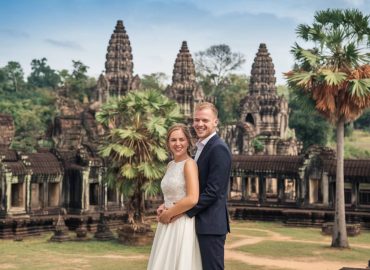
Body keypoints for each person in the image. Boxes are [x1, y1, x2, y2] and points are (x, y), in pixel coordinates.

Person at [147, 123, 202, 270]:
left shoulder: (189, 164)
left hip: (181, 222)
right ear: (168, 143)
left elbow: (192, 198)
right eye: (173, 140)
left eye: (181, 139)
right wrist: (163, 207)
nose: (178, 144)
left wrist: (169, 213)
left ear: (188, 142)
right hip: (166, 222)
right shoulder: (170, 165)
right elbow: (171, 194)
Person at [187, 102, 232, 270]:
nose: (199, 124)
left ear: (215, 122)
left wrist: (182, 210)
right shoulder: (200, 147)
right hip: (200, 222)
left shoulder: (218, 148)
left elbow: (213, 191)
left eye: (205, 120)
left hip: (210, 224)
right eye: (196, 120)